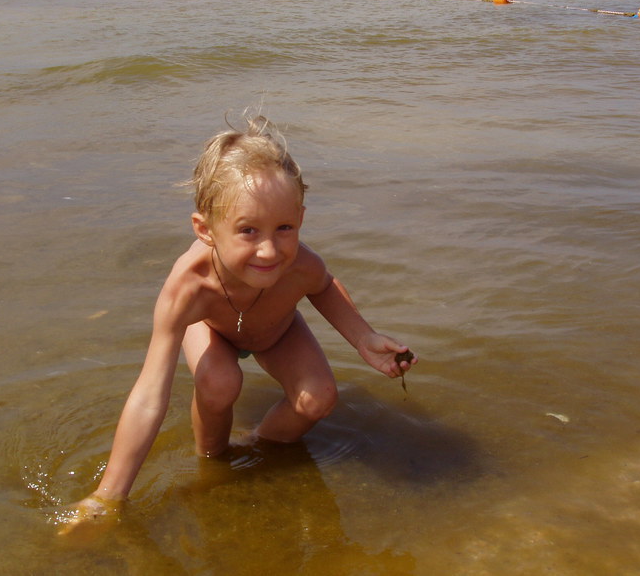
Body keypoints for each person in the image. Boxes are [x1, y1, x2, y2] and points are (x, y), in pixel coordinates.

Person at [58, 114, 416, 535]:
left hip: (276, 328)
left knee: (318, 397)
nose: (269, 251)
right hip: (213, 326)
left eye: (284, 228)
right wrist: (108, 495)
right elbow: (149, 394)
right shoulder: (187, 287)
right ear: (205, 230)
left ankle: (261, 445)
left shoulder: (300, 264)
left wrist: (364, 338)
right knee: (220, 383)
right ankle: (211, 458)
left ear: (301, 217)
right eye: (247, 230)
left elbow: (322, 287)